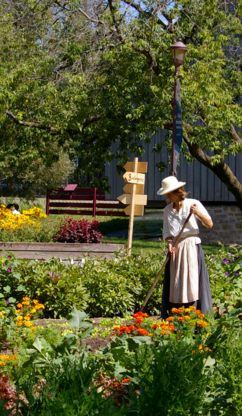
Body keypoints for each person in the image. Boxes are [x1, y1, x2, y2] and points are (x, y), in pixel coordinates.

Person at [157, 176, 213, 318]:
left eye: (170, 193)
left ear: (178, 191)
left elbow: (209, 224)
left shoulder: (193, 204)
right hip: (176, 248)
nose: (168, 196)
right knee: (176, 284)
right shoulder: (167, 210)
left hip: (191, 247)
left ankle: (195, 315)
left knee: (192, 282)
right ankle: (176, 316)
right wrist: (169, 243)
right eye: (167, 194)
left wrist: (197, 213)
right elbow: (167, 232)